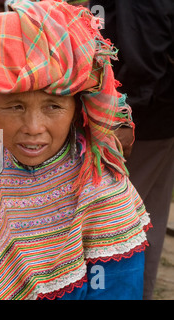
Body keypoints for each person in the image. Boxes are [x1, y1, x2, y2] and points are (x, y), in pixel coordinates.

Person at [0, 0, 150, 300]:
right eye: (15, 106)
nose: (33, 126)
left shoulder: (102, 194)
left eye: (53, 106)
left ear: (76, 109)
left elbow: (117, 291)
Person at [89, 0, 174, 300]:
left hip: (137, 121)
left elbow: (143, 42)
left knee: (112, 223)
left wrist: (125, 116)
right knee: (148, 219)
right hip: (158, 114)